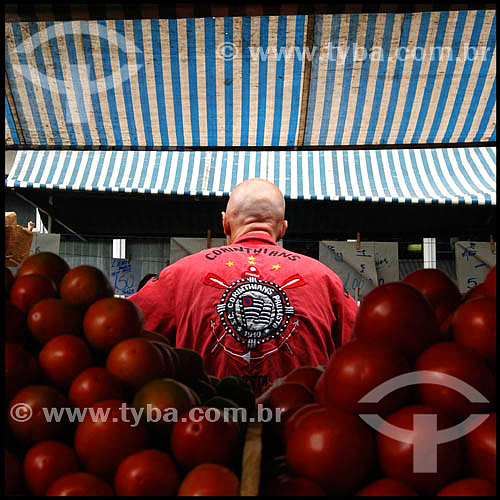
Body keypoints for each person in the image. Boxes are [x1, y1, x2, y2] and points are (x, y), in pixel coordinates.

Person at [128, 179, 358, 395]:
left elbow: (123, 333)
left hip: (208, 423)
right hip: (298, 428)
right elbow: (366, 352)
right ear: (283, 229)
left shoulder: (179, 275)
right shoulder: (325, 279)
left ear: (225, 223)